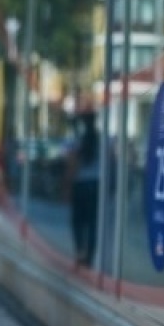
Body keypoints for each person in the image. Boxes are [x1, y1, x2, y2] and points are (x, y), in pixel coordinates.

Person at [63, 109, 102, 267]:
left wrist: (67, 185)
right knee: (92, 223)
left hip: (80, 184)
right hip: (95, 184)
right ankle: (90, 257)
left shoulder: (77, 139)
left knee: (78, 221)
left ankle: (80, 252)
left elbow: (71, 164)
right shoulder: (100, 140)